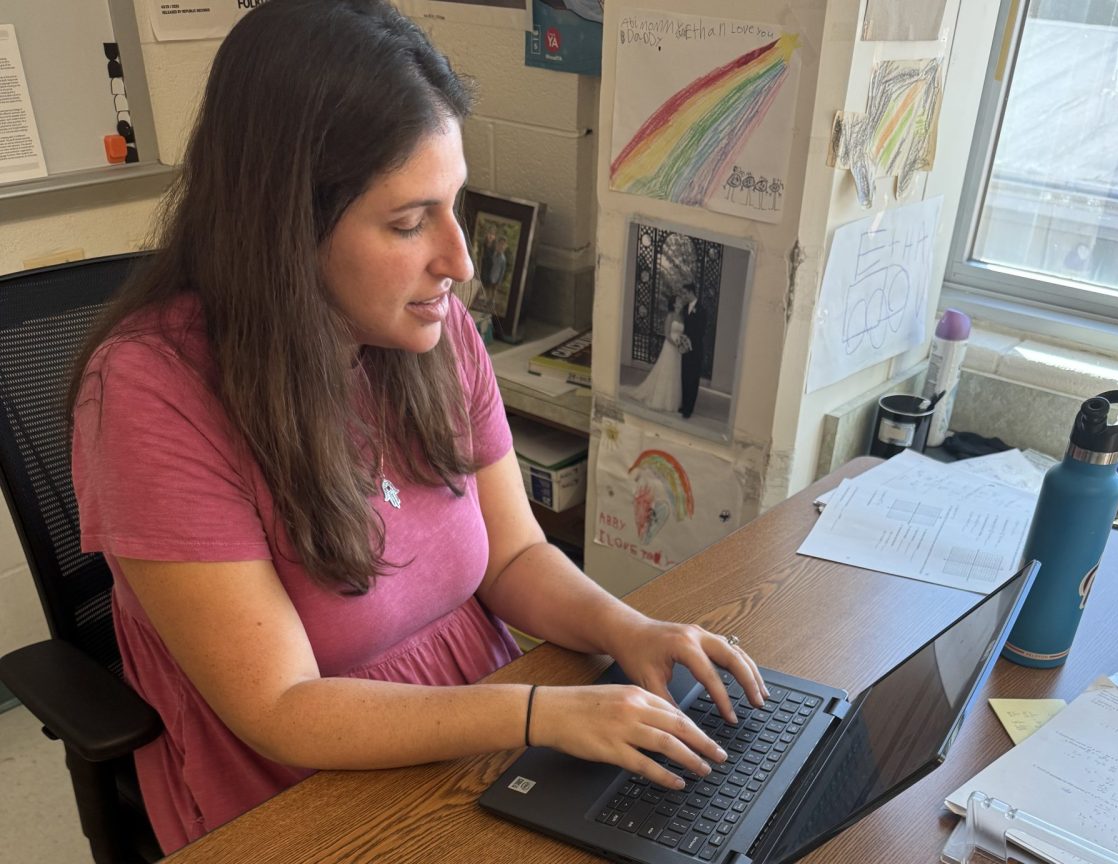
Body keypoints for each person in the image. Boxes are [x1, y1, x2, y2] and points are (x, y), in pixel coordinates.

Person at [67, 0, 766, 853]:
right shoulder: (151, 393)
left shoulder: (430, 329)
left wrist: (629, 630)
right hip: (309, 792)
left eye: (453, 204)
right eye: (408, 222)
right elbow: (281, 708)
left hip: (486, 722)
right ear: (285, 228)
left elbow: (512, 557)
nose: (461, 261)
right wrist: (543, 711)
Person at [629, 294, 685, 412]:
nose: (681, 301)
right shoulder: (670, 316)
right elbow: (667, 334)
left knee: (675, 372)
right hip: (670, 347)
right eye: (679, 300)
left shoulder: (682, 317)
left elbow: (682, 334)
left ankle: (672, 401)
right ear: (674, 303)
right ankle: (660, 399)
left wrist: (682, 344)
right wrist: (676, 344)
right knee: (666, 370)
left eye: (681, 300)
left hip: (678, 350)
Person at [678, 284, 708, 419]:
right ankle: (684, 405)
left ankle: (689, 409)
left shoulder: (702, 310)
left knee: (693, 379)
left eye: (685, 293)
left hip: (695, 350)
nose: (683, 296)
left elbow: (701, 331)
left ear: (691, 292)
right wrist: (683, 340)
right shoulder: (685, 308)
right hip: (685, 348)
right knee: (684, 377)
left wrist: (690, 341)